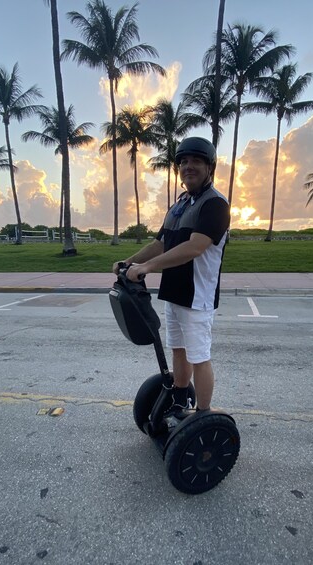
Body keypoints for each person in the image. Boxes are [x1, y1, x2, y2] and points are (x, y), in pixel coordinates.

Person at [112, 137, 230, 413]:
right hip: (174, 293)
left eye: (196, 161)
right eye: (184, 161)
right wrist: (129, 262)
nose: (189, 166)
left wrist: (149, 268)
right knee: (178, 349)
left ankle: (203, 414)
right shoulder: (180, 205)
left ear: (210, 167)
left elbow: (195, 246)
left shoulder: (215, 204)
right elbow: (160, 243)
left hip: (197, 296)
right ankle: (179, 398)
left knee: (199, 357)